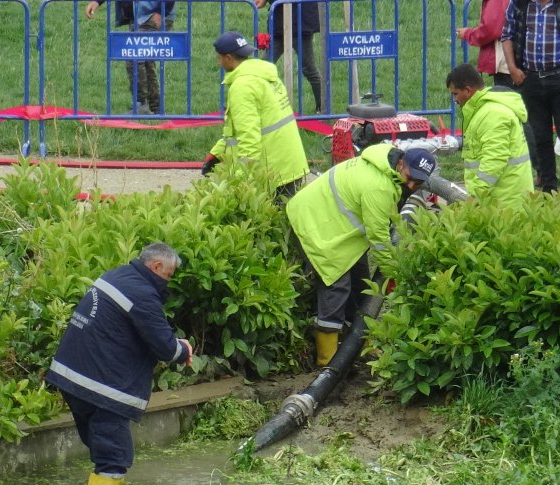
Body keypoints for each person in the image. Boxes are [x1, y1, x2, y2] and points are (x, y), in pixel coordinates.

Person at [45, 242, 194, 485]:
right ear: (156, 266)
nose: (168, 283)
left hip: (72, 378)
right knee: (114, 457)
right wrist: (183, 350)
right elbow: (165, 348)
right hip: (102, 387)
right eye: (168, 276)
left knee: (102, 449)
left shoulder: (115, 275)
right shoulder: (142, 294)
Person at [286, 144, 436, 366]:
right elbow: (379, 239)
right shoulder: (379, 187)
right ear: (401, 163)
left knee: (362, 284)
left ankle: (356, 349)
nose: (412, 185)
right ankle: (327, 362)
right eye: (409, 177)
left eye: (419, 182)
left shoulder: (385, 164)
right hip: (315, 225)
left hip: (332, 223)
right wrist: (395, 271)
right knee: (336, 286)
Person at [500, 0, 560, 208]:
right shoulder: (520, 3)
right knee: (540, 137)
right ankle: (549, 191)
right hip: (530, 79)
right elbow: (507, 35)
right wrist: (513, 69)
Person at [202, 31, 310, 200]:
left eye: (219, 58)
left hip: (273, 171)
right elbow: (240, 129)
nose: (218, 61)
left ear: (228, 58)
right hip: (290, 163)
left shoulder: (242, 86)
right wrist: (218, 152)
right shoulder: (266, 76)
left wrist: (241, 180)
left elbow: (249, 139)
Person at [446, 63, 534, 207]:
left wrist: (476, 195)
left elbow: (494, 159)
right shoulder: (484, 110)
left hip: (505, 202)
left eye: (455, 93)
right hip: (500, 196)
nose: (455, 100)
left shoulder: (492, 114)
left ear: (468, 90)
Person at [85, 0, 176, 114]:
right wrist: (97, 2)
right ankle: (155, 108)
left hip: (154, 15)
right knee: (145, 61)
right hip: (139, 14)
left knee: (133, 55)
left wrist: (161, 12)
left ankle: (141, 104)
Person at [257, 0, 325, 112]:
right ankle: (246, 103)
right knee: (262, 68)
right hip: (282, 23)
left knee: (309, 69)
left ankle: (323, 108)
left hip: (300, 22)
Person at [457, 0, 514, 87]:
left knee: (506, 96)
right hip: (516, 58)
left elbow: (491, 29)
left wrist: (468, 34)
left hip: (507, 61)